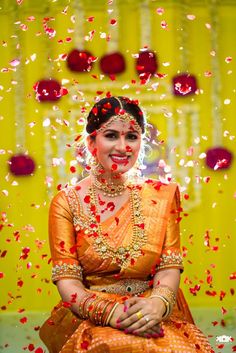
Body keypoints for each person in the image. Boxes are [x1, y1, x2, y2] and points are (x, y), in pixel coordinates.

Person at [39, 96, 214, 353]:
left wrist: (156, 306)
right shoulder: (67, 202)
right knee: (108, 344)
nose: (123, 147)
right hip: (94, 317)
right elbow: (68, 284)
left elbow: (169, 268)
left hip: (152, 310)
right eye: (111, 135)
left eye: (131, 136)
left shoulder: (161, 197)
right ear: (91, 142)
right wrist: (113, 314)